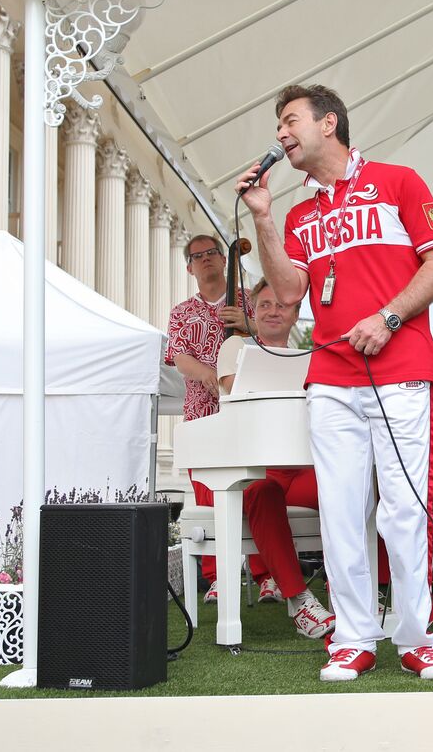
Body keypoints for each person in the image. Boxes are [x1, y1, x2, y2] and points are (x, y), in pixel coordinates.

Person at [237, 83, 433, 682]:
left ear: (328, 123)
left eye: (289, 121)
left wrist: (388, 318)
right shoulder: (301, 213)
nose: (280, 134)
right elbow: (286, 292)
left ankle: (417, 638)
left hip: (401, 372)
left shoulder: (398, 181)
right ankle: (353, 637)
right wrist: (262, 217)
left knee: (405, 510)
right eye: (278, 125)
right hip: (330, 377)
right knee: (340, 511)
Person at [217, 278, 335, 639]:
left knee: (358, 487)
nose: (272, 311)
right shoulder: (235, 348)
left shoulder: (313, 355)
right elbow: (234, 389)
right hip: (259, 467)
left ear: (297, 314)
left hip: (302, 468)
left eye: (281, 305)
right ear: (253, 311)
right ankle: (299, 601)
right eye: (264, 304)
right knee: (260, 492)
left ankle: (362, 594)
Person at [165, 233, 250, 603]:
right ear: (189, 267)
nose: (205, 259)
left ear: (224, 259)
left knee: (253, 485)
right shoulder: (182, 312)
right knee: (208, 491)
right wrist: (207, 373)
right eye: (197, 256)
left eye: (212, 252)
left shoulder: (246, 302)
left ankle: (264, 573)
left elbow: (271, 340)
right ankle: (217, 576)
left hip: (246, 409)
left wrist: (248, 323)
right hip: (202, 411)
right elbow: (178, 357)